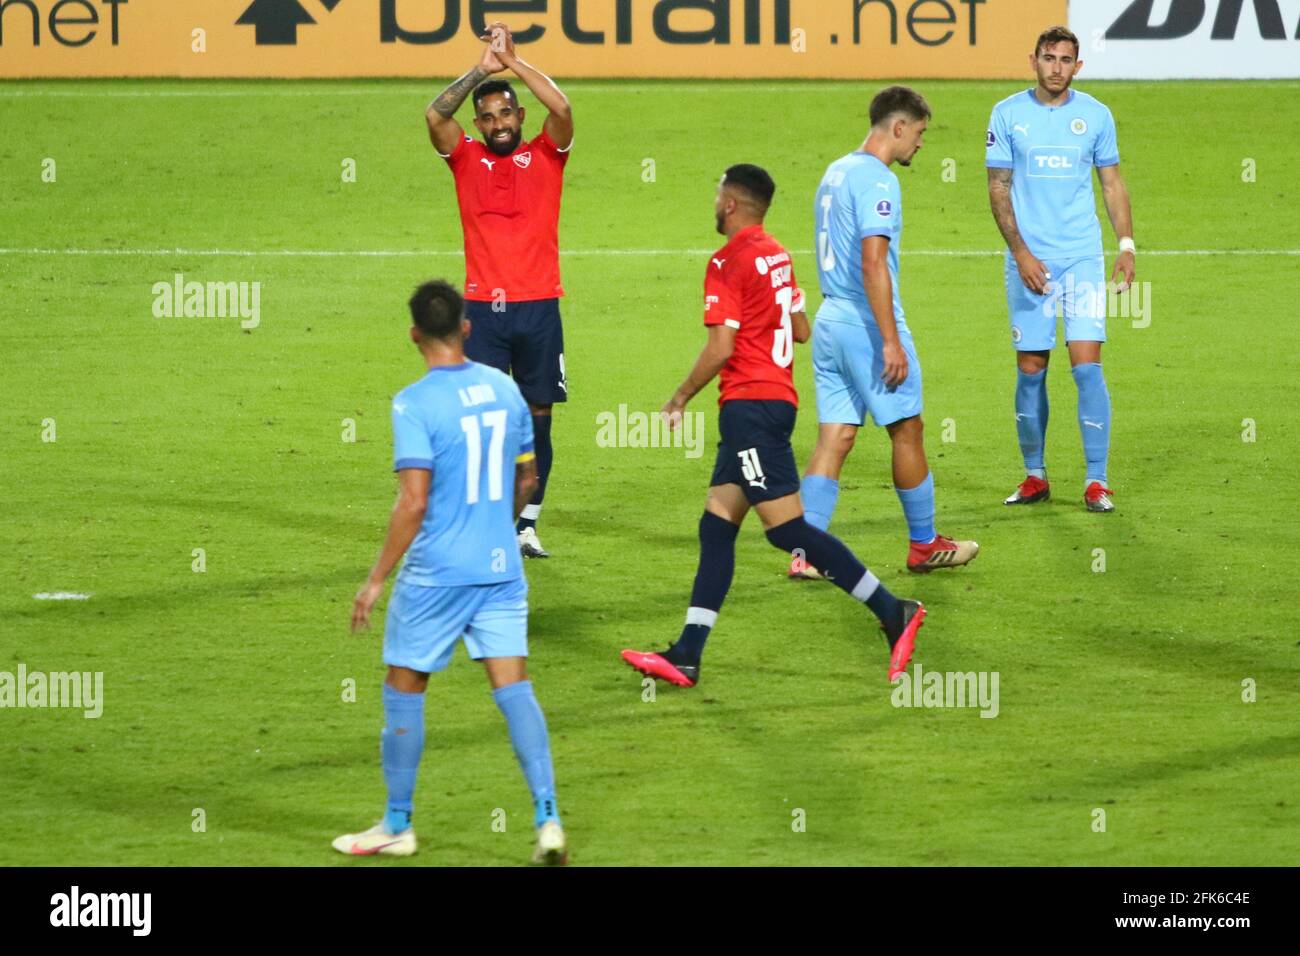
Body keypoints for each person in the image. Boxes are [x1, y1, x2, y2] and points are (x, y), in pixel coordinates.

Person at [621, 166, 927, 689]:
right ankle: (688, 653)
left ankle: (893, 609)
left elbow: (721, 346)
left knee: (788, 531)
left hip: (750, 407)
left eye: (718, 194)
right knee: (717, 523)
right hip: (773, 400)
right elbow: (802, 331)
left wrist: (678, 399)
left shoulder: (726, 261)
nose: (714, 202)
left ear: (733, 205)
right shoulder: (779, 256)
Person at [335, 280, 566, 865]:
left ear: (414, 334)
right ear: (466, 327)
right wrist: (496, 527)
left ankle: (397, 824)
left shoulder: (413, 403)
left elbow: (413, 501)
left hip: (436, 576)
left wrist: (375, 578)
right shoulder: (506, 391)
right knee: (514, 691)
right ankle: (548, 820)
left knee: (404, 688)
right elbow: (527, 479)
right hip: (500, 570)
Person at [797, 86, 979, 580]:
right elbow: (873, 261)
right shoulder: (879, 180)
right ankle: (924, 544)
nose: (920, 144)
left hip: (831, 318)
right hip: (865, 325)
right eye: (919, 133)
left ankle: (806, 551)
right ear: (898, 127)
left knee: (834, 436)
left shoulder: (836, 170)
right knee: (908, 429)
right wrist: (890, 340)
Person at [425, 21, 574, 556]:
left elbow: (562, 109)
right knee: (485, 423)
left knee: (538, 418)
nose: (498, 124)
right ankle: (483, 519)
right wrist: (480, 71)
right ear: (480, 125)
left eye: (506, 113)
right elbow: (434, 115)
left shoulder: (547, 155)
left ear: (519, 117)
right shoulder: (466, 157)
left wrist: (513, 62)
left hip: (538, 308)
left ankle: (527, 523)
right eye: (488, 118)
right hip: (483, 313)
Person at [987, 25, 1136, 513]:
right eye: (1048, 58)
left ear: (1078, 66)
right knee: (1031, 370)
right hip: (1030, 261)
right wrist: (1022, 253)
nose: (1056, 67)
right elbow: (999, 187)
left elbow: (1111, 184)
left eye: (1065, 59)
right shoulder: (1007, 114)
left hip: (1081, 258)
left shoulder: (1096, 115)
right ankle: (1035, 476)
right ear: (1033, 60)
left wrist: (1127, 245)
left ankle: (1096, 481)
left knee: (1087, 368)